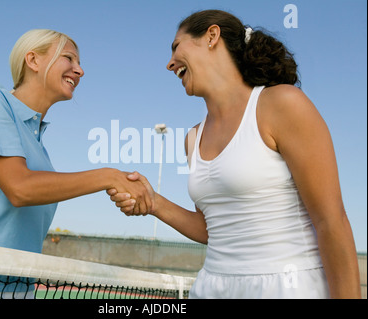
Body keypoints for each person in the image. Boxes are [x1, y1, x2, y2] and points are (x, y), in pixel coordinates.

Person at [108, 10, 361, 299]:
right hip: (211, 288)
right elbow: (214, 228)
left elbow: (331, 221)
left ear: (211, 37)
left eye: (176, 47)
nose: (169, 63)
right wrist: (154, 203)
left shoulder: (282, 103)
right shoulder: (192, 139)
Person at [0, 29, 152, 298]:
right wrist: (109, 176)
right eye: (69, 58)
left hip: (17, 286)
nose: (80, 71)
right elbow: (20, 188)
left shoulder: (40, 148)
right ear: (33, 60)